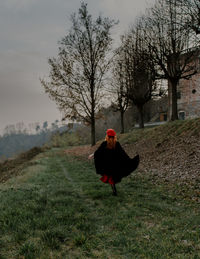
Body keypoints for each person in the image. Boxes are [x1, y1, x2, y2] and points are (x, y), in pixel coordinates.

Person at [89, 129, 140, 196]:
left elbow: (98, 152)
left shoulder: (105, 143)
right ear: (114, 136)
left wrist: (92, 155)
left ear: (107, 136)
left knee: (110, 178)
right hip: (115, 165)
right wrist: (130, 160)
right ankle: (114, 190)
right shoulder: (117, 144)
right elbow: (123, 154)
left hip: (107, 165)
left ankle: (114, 191)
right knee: (112, 178)